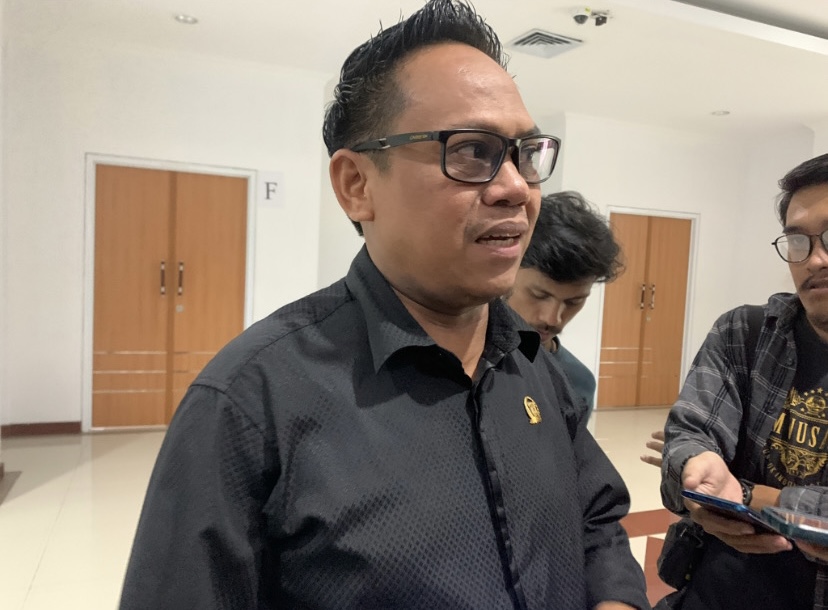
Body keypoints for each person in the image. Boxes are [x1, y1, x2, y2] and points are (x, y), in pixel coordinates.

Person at [119, 1, 649, 608]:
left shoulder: (536, 366)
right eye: (471, 151)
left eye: (524, 153)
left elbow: (596, 521)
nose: (514, 188)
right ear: (357, 185)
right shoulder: (250, 402)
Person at [659, 152, 828, 610]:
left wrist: (749, 494)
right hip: (715, 592)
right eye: (798, 240)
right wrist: (695, 470)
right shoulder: (745, 332)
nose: (815, 258)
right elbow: (688, 435)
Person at [505, 191, 623, 415]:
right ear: (508, 270)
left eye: (574, 302)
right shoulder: (460, 359)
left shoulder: (577, 383)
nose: (552, 318)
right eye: (539, 295)